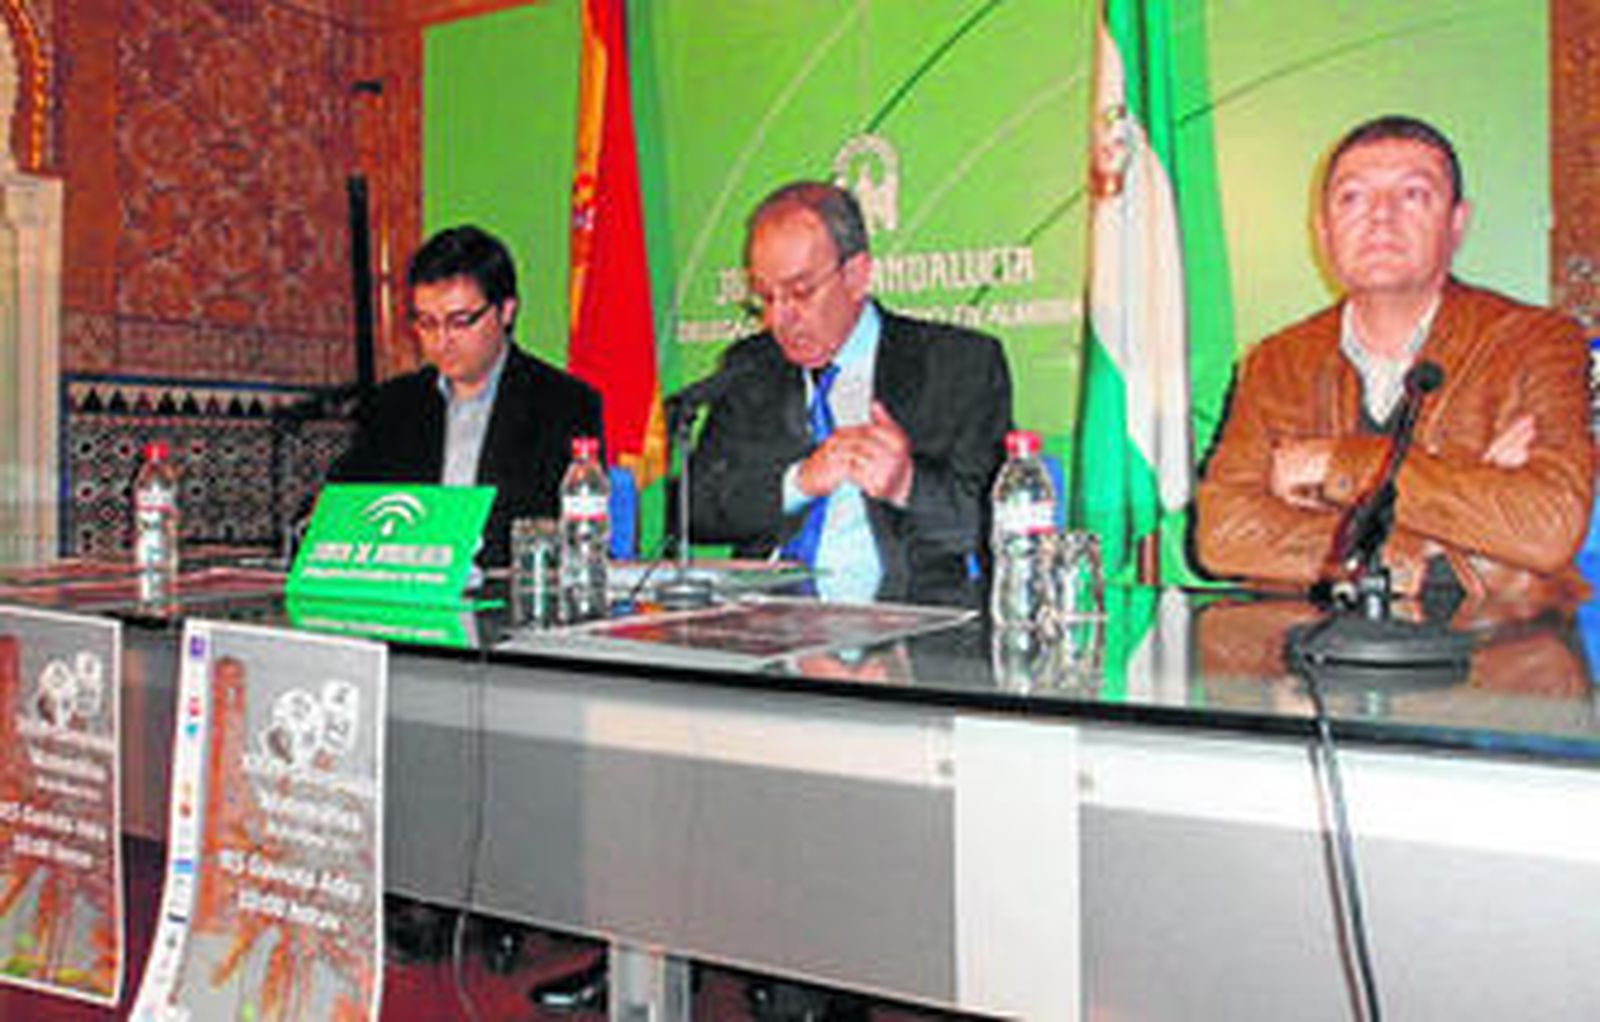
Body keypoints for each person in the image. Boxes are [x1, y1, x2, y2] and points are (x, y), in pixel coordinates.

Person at [1196, 115, 1593, 601]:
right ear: (1323, 230)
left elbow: (1547, 528)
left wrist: (1337, 463)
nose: (1381, 216)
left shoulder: (1535, 341)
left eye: (1413, 195)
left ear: (1456, 222)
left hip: (1497, 637)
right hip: (1315, 640)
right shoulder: (1278, 361)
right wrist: (1417, 542)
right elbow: (1222, 535)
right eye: (1353, 197)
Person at [688, 181, 1014, 606]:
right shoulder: (752, 367)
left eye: (801, 292)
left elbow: (1000, 523)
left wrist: (907, 485)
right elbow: (695, 509)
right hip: (767, 619)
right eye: (765, 297)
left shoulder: (957, 365)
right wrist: (797, 483)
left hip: (904, 621)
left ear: (857, 275)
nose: (780, 319)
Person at [330, 224, 603, 567]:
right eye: (427, 323)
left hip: (507, 590)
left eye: (460, 321)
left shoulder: (564, 404)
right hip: (412, 588)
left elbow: (564, 531)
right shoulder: (393, 405)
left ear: (506, 311)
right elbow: (343, 500)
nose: (441, 341)